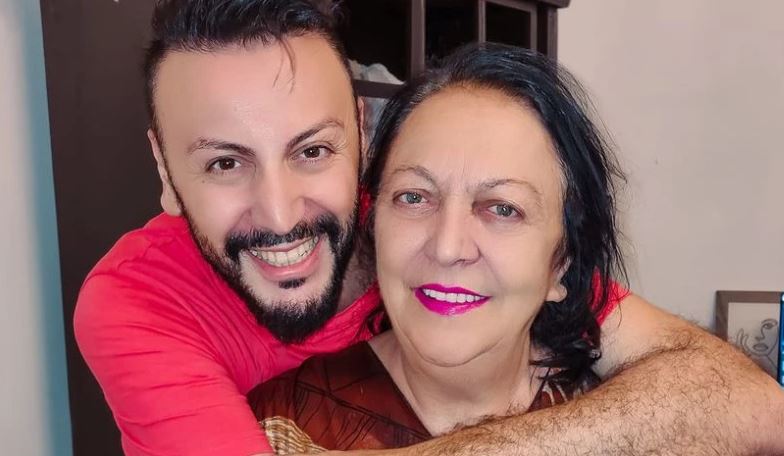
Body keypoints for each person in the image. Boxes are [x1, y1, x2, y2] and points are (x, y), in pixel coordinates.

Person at [73, 1, 784, 455]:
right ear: (164, 169)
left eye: (312, 151)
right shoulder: (137, 306)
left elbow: (747, 402)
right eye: (225, 163)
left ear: (359, 137)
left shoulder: (424, 228)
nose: (282, 214)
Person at [248, 43, 784, 455]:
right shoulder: (276, 427)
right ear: (373, 221)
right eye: (414, 197)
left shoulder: (649, 419)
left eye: (502, 208)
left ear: (561, 264)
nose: (448, 246)